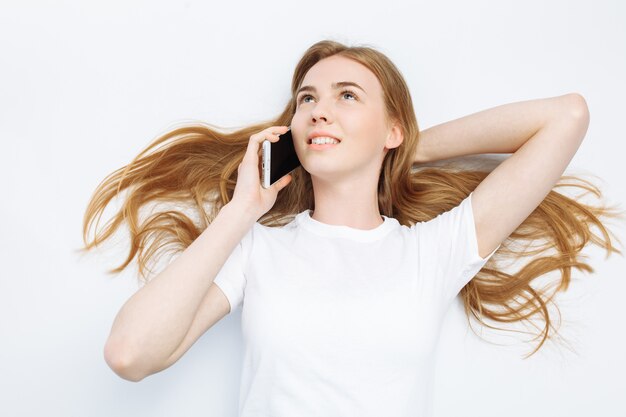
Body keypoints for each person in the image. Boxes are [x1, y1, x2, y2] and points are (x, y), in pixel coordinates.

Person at [80, 39, 623, 416]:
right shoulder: (257, 249)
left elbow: (566, 116)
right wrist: (241, 209)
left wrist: (401, 149)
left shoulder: (432, 252)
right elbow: (129, 354)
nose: (319, 110)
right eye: (307, 99)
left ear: (391, 127)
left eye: (347, 96)